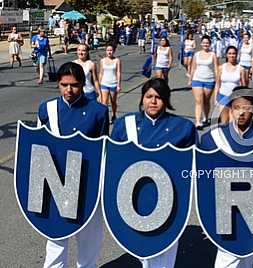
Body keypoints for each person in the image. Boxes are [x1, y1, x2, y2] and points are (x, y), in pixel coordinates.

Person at [110, 78, 196, 268]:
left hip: (169, 197)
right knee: (142, 248)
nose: (153, 101)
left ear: (166, 100)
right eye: (149, 96)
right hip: (133, 196)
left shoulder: (183, 127)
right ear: (142, 99)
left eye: (158, 97)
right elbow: (112, 162)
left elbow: (191, 167)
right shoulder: (125, 124)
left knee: (166, 247)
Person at [198, 86, 253, 268]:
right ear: (230, 108)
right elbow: (204, 183)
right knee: (226, 261)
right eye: (237, 108)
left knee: (246, 260)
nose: (242, 113)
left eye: (247, 108)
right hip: (225, 213)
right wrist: (208, 218)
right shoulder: (212, 138)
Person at [38, 62, 109, 268]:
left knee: (89, 242)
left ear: (83, 84)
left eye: (75, 85)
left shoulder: (98, 111)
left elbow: (102, 150)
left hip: (87, 185)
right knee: (55, 240)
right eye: (64, 84)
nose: (69, 90)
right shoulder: (47, 109)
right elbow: (37, 149)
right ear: (58, 84)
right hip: (55, 184)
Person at [189, 35, 219, 130]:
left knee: (206, 100)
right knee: (198, 101)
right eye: (204, 43)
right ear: (201, 44)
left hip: (209, 80)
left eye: (207, 43)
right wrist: (190, 78)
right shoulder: (197, 54)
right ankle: (198, 122)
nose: (205, 44)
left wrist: (218, 81)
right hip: (197, 79)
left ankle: (205, 117)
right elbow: (193, 67)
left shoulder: (213, 55)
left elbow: (216, 68)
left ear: (210, 44)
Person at [214, 46, 244, 124]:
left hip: (235, 98)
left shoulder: (241, 69)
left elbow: (244, 87)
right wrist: (215, 98)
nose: (232, 55)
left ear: (237, 55)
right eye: (229, 53)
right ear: (226, 55)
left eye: (234, 53)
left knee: (233, 122)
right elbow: (217, 84)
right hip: (223, 96)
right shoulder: (221, 68)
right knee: (224, 122)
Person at [99, 44, 121, 122]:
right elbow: (101, 73)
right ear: (106, 51)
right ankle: (105, 118)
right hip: (104, 83)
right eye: (108, 50)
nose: (109, 52)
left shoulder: (117, 60)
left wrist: (118, 85)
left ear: (113, 51)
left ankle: (114, 114)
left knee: (113, 102)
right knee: (104, 102)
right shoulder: (102, 61)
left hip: (113, 84)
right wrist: (99, 84)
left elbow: (118, 72)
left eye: (111, 50)